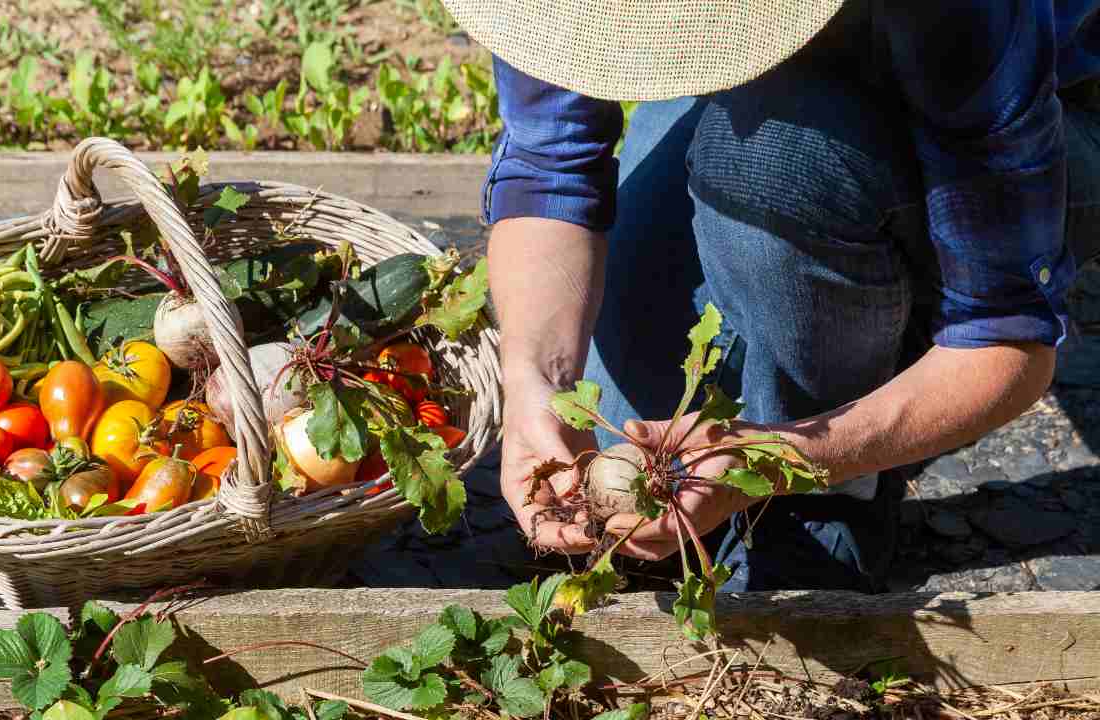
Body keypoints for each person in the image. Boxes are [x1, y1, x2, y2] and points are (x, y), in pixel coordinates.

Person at [438, 0, 1100, 592]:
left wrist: (784, 457)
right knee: (626, 413)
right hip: (751, 94)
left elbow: (1007, 336)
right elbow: (551, 161)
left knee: (772, 162)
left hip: (1042, 107)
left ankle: (835, 500)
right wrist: (535, 380)